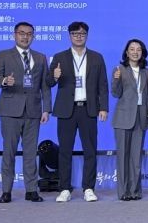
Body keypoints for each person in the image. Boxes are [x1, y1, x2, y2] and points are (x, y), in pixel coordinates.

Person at [48, 21, 109, 203]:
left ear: (87, 36)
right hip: (66, 110)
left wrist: (103, 107)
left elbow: (103, 85)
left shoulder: (96, 57)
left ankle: (88, 188)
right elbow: (48, 82)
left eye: (82, 34)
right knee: (65, 151)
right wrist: (54, 77)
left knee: (90, 150)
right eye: (75, 34)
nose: (78, 37)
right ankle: (64, 189)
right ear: (69, 36)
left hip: (88, 109)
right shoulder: (59, 57)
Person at [0, 21, 52, 203]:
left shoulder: (40, 58)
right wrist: (4, 81)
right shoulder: (3, 55)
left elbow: (45, 86)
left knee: (31, 153)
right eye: (22, 33)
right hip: (10, 110)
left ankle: (31, 190)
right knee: (9, 151)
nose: (25, 37)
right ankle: (6, 191)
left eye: (29, 34)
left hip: (33, 110)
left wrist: (46, 109)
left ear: (33, 36)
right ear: (14, 35)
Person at [111, 39, 148, 201]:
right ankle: (123, 192)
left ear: (142, 53)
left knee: (136, 157)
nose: (135, 52)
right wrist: (116, 79)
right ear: (126, 52)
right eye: (132, 49)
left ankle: (135, 191)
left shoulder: (146, 72)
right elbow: (115, 93)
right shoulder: (119, 69)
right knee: (123, 156)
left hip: (140, 117)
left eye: (138, 49)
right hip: (123, 118)